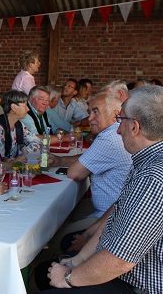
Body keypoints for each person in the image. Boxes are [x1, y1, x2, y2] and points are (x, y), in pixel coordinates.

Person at [40, 85, 163, 294]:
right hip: (125, 272)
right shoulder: (146, 160)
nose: (117, 129)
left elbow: (120, 261)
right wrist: (77, 261)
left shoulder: (152, 177)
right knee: (45, 272)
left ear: (134, 127)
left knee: (50, 277)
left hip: (139, 286)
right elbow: (116, 216)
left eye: (121, 120)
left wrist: (68, 277)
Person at [47, 93, 132, 245]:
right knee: (63, 212)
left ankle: (52, 259)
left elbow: (75, 173)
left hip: (111, 216)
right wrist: (60, 160)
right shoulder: (115, 132)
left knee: (56, 230)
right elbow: (89, 158)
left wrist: (66, 163)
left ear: (116, 115)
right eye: (89, 112)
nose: (90, 118)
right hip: (114, 208)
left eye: (96, 111)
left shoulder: (109, 137)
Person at [0, 90, 42, 162]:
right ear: (13, 107)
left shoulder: (19, 125)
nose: (28, 109)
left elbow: (38, 141)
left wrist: (23, 152)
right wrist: (16, 159)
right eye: (25, 105)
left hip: (13, 168)